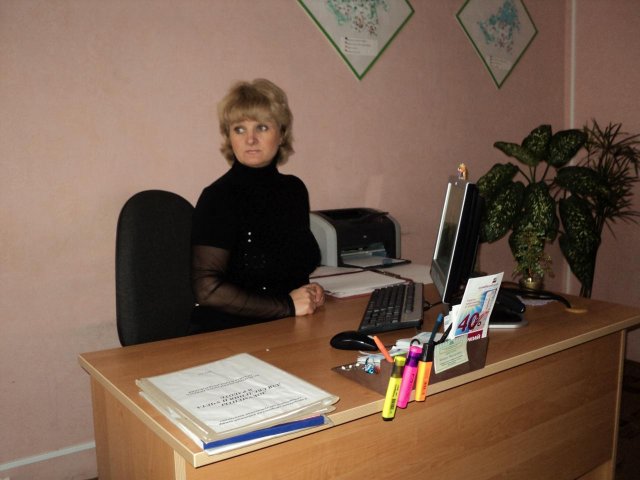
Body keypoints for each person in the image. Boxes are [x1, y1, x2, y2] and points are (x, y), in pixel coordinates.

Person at [190, 78, 325, 332]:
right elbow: (207, 289)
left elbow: (290, 267)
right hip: (230, 334)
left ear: (281, 134)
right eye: (239, 129)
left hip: (286, 328)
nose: (250, 139)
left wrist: (308, 291)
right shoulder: (218, 197)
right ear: (229, 137)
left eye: (261, 127)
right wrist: (287, 306)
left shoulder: (294, 190)